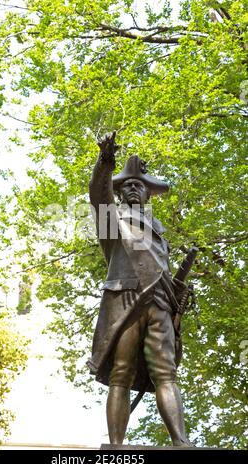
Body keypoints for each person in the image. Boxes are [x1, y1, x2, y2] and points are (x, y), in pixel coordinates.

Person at [87, 131, 191, 446]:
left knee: (166, 374)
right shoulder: (112, 219)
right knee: (122, 372)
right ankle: (117, 446)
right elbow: (98, 194)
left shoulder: (160, 235)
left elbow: (163, 273)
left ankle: (181, 441)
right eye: (127, 185)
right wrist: (105, 160)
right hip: (127, 300)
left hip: (161, 304)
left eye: (139, 186)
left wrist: (181, 293)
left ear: (147, 195)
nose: (133, 188)